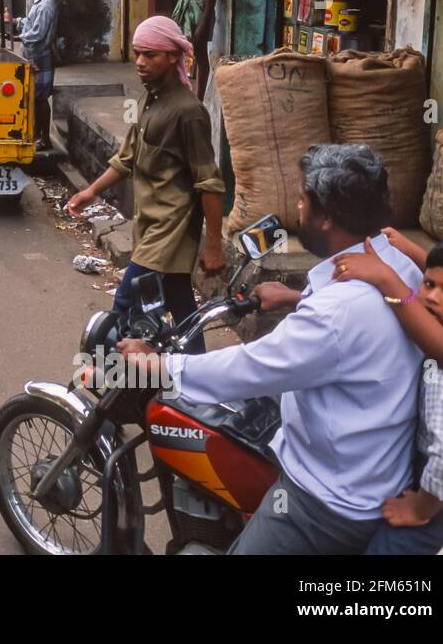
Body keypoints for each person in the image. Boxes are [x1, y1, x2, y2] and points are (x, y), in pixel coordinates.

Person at [120, 144, 425, 554]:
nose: (297, 210)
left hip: (325, 501)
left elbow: (250, 368)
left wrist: (159, 365)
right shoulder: (396, 265)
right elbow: (356, 326)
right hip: (379, 466)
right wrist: (296, 296)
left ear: (327, 218)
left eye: (303, 200)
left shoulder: (333, 314)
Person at [66, 16, 225, 352]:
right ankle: (193, 380)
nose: (139, 62)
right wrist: (90, 191)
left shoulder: (188, 112)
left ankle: (109, 387)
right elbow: (127, 158)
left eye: (150, 54)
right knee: (182, 309)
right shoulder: (148, 100)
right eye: (137, 53)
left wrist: (213, 245)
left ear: (172, 56)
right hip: (149, 228)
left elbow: (209, 182)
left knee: (123, 310)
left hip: (169, 234)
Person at [330, 233, 443, 554]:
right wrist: (411, 250)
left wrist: (420, 509)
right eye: (428, 285)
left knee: (390, 548)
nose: (432, 298)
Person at [15, 0, 58, 152]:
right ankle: (36, 134)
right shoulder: (40, 2)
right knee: (34, 96)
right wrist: (18, 22)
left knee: (40, 99)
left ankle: (45, 139)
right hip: (34, 55)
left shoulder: (46, 4)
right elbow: (33, 24)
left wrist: (21, 37)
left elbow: (38, 33)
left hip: (40, 55)